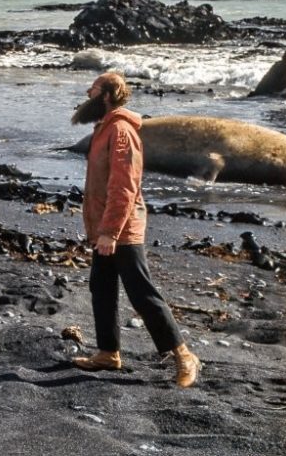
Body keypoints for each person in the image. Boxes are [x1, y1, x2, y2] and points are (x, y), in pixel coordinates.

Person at [70, 72, 201, 388]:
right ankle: (108, 353)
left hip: (122, 228)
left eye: (94, 89)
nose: (87, 92)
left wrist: (111, 231)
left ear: (106, 96)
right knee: (101, 288)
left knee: (142, 293)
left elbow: (124, 187)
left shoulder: (121, 130)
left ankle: (184, 355)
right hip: (106, 226)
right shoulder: (104, 128)